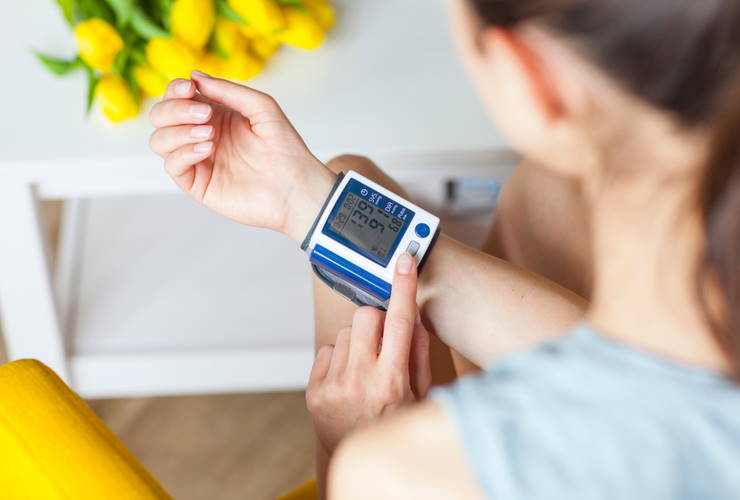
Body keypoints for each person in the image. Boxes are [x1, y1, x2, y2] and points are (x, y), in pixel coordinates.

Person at [148, 0, 740, 497]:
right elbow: (641, 391)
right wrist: (309, 205)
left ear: (529, 76)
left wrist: (353, 440)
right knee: (517, 194)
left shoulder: (405, 471)